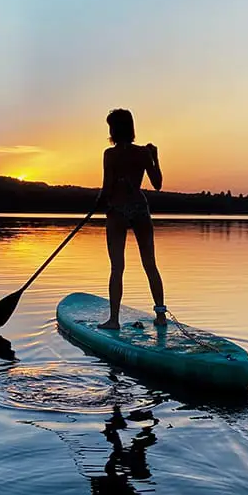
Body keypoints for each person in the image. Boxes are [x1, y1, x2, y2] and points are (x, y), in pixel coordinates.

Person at [95, 108, 167, 330]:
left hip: (117, 210)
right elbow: (157, 183)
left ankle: (114, 320)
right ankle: (161, 316)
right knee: (150, 265)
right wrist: (154, 158)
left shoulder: (110, 154)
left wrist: (99, 202)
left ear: (114, 130)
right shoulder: (143, 153)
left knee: (117, 267)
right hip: (140, 209)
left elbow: (107, 188)